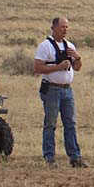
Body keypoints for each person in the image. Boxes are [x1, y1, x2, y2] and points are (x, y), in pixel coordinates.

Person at [34, 17, 87, 168]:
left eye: (67, 27)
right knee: (50, 124)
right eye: (63, 27)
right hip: (51, 89)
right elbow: (37, 68)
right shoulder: (45, 46)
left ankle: (75, 157)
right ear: (54, 27)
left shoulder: (69, 46)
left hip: (67, 90)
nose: (65, 30)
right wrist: (58, 67)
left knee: (70, 123)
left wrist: (77, 57)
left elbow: (77, 68)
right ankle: (49, 158)